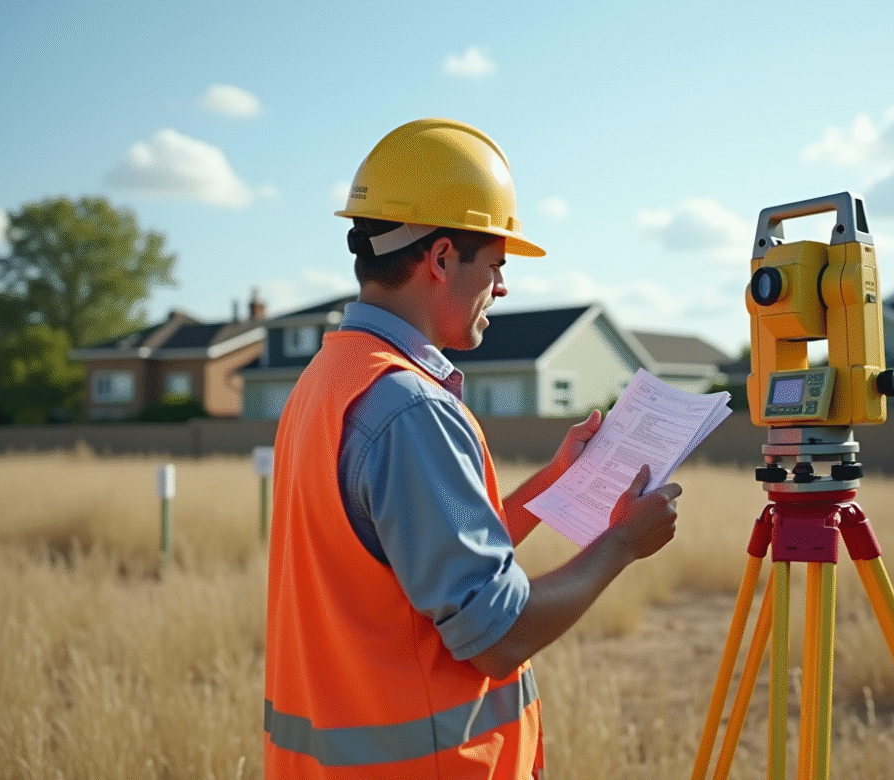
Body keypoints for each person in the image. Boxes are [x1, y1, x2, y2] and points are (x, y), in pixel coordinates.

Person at [263, 118, 682, 779]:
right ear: (440, 259)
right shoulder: (410, 408)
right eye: (496, 265)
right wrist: (621, 545)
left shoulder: (331, 380)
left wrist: (555, 481)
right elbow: (498, 634)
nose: (504, 287)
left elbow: (425, 554)